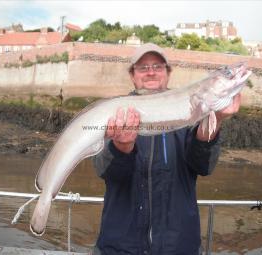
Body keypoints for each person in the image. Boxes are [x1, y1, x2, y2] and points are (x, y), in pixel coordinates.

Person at [93, 43, 241, 255]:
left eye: (158, 66)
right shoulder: (115, 114)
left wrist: (215, 118)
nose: (151, 71)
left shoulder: (191, 112)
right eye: (143, 67)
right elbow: (105, 171)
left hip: (179, 247)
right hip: (119, 247)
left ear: (168, 73)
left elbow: (203, 165)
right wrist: (121, 146)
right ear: (133, 75)